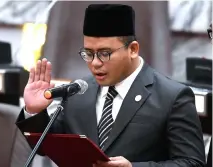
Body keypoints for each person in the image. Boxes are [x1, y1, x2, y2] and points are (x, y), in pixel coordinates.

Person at [16, 4, 206, 167]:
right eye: (88, 53)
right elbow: (45, 146)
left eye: (105, 53)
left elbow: (192, 163)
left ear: (132, 49)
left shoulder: (172, 97)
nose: (95, 63)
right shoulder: (78, 91)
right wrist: (34, 112)